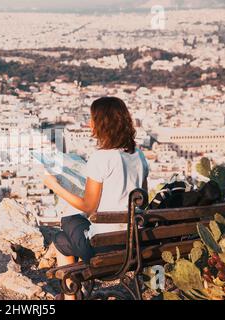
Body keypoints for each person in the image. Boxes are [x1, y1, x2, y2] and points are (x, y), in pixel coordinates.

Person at [41, 97, 149, 300]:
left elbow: (89, 206)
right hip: (133, 245)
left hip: (103, 249)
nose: (89, 123)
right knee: (61, 240)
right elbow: (143, 200)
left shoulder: (101, 158)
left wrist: (55, 186)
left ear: (101, 123)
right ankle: (71, 297)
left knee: (68, 220)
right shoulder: (139, 157)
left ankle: (72, 296)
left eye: (92, 119)